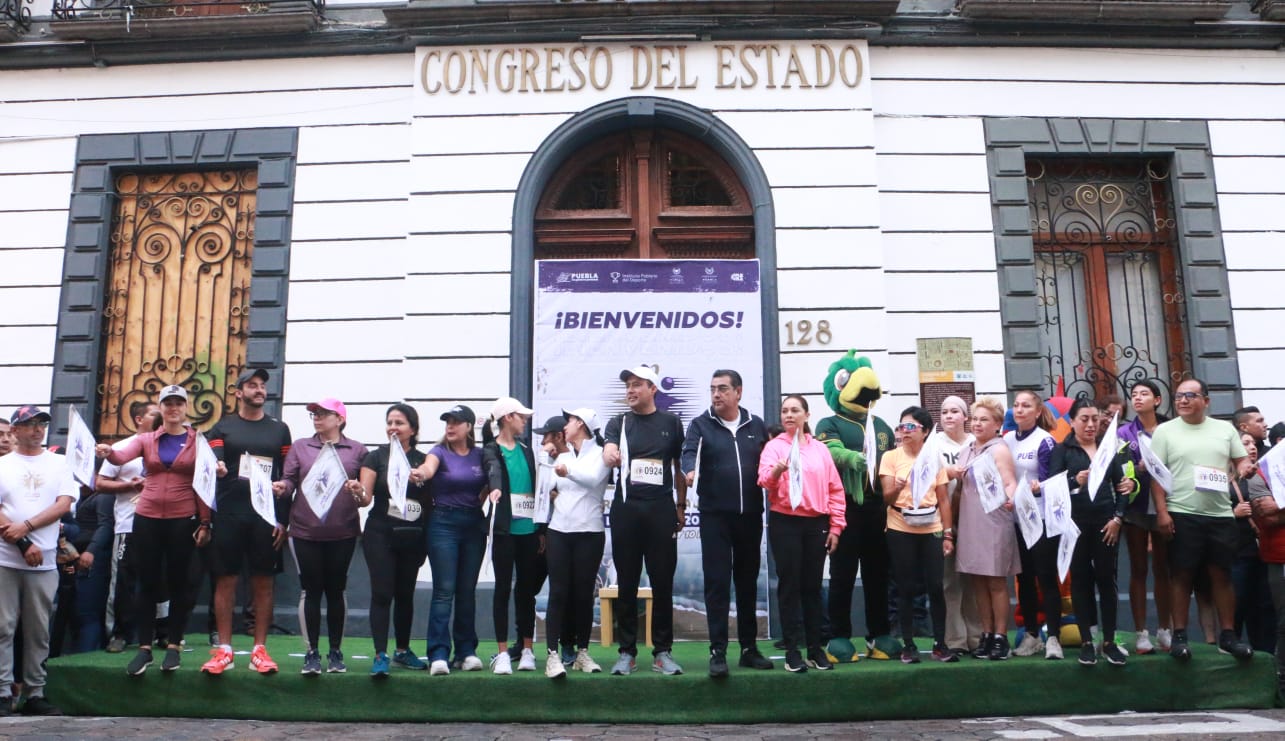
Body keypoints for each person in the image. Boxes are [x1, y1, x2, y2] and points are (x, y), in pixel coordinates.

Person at [97, 386, 212, 675]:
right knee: (145, 583)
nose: (173, 408)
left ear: (186, 408)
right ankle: (144, 648)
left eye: (178, 403)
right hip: (147, 516)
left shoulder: (198, 441)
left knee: (178, 583)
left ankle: (173, 646)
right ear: (161, 408)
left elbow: (205, 482)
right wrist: (108, 452)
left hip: (182, 517)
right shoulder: (147, 439)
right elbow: (121, 457)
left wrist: (205, 521)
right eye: (167, 403)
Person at [1149, 377, 1254, 661]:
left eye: (1190, 396)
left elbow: (1240, 460)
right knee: (1181, 574)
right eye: (1179, 396)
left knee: (1221, 574)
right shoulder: (1165, 431)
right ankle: (1180, 637)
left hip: (1220, 514)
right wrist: (1162, 512)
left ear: (1206, 401)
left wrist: (1246, 467)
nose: (1183, 400)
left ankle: (1229, 635)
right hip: (1182, 512)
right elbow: (1156, 476)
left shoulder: (1224, 429)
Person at [680, 369, 773, 677]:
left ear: (738, 392)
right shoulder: (700, 424)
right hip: (715, 518)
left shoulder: (755, 424)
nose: (716, 394)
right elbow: (689, 452)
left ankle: (749, 649)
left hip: (750, 517)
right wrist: (689, 470)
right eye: (712, 389)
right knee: (718, 583)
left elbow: (770, 457)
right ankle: (717, 651)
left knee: (747, 583)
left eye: (722, 388)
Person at [201, 369, 293, 675]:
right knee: (225, 580)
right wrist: (218, 468)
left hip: (265, 517)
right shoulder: (222, 427)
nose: (259, 390)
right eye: (252, 385)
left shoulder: (279, 430)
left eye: (262, 385)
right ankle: (224, 650)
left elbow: (287, 475)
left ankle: (259, 651)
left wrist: (283, 520)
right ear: (238, 392)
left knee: (264, 582)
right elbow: (213, 463)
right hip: (229, 514)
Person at [601, 365, 688, 676]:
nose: (631, 390)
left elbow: (679, 467)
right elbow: (608, 449)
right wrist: (610, 454)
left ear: (653, 389)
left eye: (637, 384)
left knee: (662, 582)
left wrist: (681, 506)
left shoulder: (671, 422)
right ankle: (627, 653)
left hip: (661, 510)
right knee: (626, 583)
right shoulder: (618, 422)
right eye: (628, 385)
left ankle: (662, 652)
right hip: (626, 510)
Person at [278, 398, 368, 675]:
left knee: (336, 590)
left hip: (343, 531)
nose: (317, 417)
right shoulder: (301, 447)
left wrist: (358, 490)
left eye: (323, 413)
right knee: (310, 590)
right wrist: (282, 486)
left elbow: (365, 494)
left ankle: (336, 652)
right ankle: (312, 653)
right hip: (304, 530)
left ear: (339, 419)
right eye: (314, 414)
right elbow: (290, 479)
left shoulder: (357, 450)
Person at [0, 406, 79, 716]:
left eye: (41, 424)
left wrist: (28, 527)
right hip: (6, 557)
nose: (37, 429)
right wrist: (22, 541)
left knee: (38, 629)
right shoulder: (3, 464)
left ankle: (35, 692)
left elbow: (64, 503)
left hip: (43, 559)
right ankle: (3, 690)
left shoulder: (59, 463)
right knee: (3, 625)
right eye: (30, 424)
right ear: (15, 430)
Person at [758, 394, 845, 673]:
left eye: (795, 410)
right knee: (790, 586)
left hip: (816, 523)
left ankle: (815, 648)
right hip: (785, 522)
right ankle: (792, 650)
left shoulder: (820, 450)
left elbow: (835, 489)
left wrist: (836, 527)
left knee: (812, 586)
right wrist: (776, 472)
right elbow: (763, 480)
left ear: (807, 415)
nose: (789, 415)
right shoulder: (774, 447)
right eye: (785, 411)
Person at [1048, 399, 1133, 666]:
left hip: (1106, 525)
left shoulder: (1107, 449)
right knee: (1081, 581)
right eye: (1084, 419)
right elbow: (1052, 487)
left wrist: (1118, 518)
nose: (1091, 424)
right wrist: (1074, 480)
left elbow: (1122, 487)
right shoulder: (1063, 450)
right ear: (1072, 421)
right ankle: (1087, 641)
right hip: (1075, 525)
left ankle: (1109, 641)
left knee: (1107, 580)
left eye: (1095, 419)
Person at [411, 404, 487, 676]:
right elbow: (428, 468)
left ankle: (466, 652)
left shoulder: (480, 455)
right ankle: (438, 654)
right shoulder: (438, 451)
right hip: (443, 523)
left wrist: (482, 501)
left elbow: (489, 483)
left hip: (473, 524)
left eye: (456, 422)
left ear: (469, 427)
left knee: (467, 590)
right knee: (444, 589)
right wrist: (420, 473)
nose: (450, 427)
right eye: (448, 422)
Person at [879, 406, 956, 663]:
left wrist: (948, 534)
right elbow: (886, 497)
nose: (905, 431)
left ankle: (940, 643)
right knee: (905, 586)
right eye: (901, 426)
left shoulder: (934, 457)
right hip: (900, 526)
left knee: (935, 585)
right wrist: (896, 487)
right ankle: (908, 644)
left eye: (911, 426)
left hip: (931, 526)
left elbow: (943, 499)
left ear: (925, 431)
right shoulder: (891, 457)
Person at [360, 403, 430, 677]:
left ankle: (402, 650)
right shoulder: (375, 457)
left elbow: (431, 500)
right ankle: (380, 654)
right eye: (389, 422)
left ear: (413, 429)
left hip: (412, 535)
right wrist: (356, 492)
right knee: (382, 593)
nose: (393, 427)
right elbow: (365, 497)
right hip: (380, 533)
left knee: (405, 594)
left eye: (399, 423)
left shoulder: (423, 460)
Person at [950, 397, 1020, 661]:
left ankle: (1001, 636)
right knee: (977, 580)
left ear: (997, 424)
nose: (978, 424)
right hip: (970, 521)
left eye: (984, 420)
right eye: (976, 419)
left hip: (993, 520)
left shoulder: (998, 449)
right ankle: (986, 634)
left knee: (995, 581)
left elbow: (1010, 482)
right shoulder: (966, 450)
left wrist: (1012, 498)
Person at [544, 408, 610, 679]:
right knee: (558, 592)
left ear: (581, 424)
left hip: (590, 532)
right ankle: (552, 655)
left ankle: (582, 652)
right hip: (559, 531)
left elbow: (592, 479)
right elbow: (546, 486)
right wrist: (549, 461)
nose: (565, 426)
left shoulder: (602, 454)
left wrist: (567, 471)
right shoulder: (562, 456)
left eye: (570, 421)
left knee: (584, 594)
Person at [480, 396, 544, 675]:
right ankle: (503, 652)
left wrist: (541, 529)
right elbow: (493, 470)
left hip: (528, 530)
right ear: (508, 418)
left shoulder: (527, 450)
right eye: (521, 416)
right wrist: (495, 489)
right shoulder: (491, 449)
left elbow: (536, 487)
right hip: (504, 531)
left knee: (526, 590)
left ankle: (527, 649)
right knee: (503, 588)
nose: (525, 421)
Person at [1116, 379, 1173, 655]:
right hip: (1136, 507)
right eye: (1134, 394)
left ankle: (1165, 629)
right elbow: (1119, 467)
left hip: (1167, 505)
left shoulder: (1171, 429)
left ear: (1157, 400)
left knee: (1164, 569)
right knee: (1139, 569)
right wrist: (1137, 469)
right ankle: (1141, 633)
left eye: (1144, 394)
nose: (1137, 398)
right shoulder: (1124, 432)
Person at [98, 402, 158, 653]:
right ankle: (119, 633)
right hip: (129, 524)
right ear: (139, 419)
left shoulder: (169, 445)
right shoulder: (122, 448)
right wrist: (129, 486)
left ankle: (162, 633)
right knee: (124, 580)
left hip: (162, 524)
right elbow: (100, 483)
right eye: (154, 413)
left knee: (162, 578)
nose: (161, 416)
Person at [1003, 390, 1058, 659]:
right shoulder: (1006, 440)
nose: (1019, 410)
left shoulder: (1045, 440)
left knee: (1045, 578)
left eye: (1026, 406)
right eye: (1016, 405)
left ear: (1037, 412)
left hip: (1041, 518)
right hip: (1016, 519)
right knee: (1023, 579)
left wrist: (1039, 487)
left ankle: (1054, 637)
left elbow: (1053, 480)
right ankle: (1032, 635)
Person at [934, 396, 982, 655]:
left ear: (965, 416)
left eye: (954, 411)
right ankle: (955, 639)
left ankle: (976, 636)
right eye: (944, 412)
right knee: (949, 582)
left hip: (974, 519)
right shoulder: (934, 443)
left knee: (973, 581)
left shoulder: (976, 442)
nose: (949, 416)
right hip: (945, 519)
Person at [1231, 433, 1275, 653]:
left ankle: (1265, 654)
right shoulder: (1226, 479)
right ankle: (1233, 646)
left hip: (1266, 551)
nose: (1252, 447)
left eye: (1254, 443)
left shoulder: (1267, 474)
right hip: (1238, 552)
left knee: (1265, 605)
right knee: (1237, 602)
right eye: (1245, 444)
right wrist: (1234, 513)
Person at [1248, 462, 1285, 699]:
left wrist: (1279, 507)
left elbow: (1275, 512)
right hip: (1280, 557)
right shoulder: (1264, 469)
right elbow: (1267, 517)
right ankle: (1282, 680)